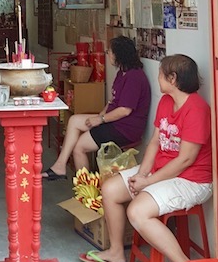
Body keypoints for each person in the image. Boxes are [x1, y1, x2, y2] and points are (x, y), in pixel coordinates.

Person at [79, 54, 212, 262]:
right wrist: (141, 174)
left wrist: (148, 183)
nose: (158, 78)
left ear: (173, 79)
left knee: (137, 211)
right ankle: (116, 252)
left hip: (191, 180)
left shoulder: (197, 109)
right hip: (162, 172)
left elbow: (185, 160)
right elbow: (154, 143)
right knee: (110, 189)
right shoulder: (166, 101)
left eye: (161, 74)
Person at [42, 36, 151, 180]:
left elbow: (125, 110)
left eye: (110, 51)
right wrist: (100, 115)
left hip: (124, 129)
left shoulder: (134, 77)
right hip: (113, 121)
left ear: (119, 54)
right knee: (74, 120)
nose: (108, 54)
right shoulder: (122, 73)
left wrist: (101, 119)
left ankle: (85, 188)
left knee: (79, 147)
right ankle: (60, 166)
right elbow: (112, 101)